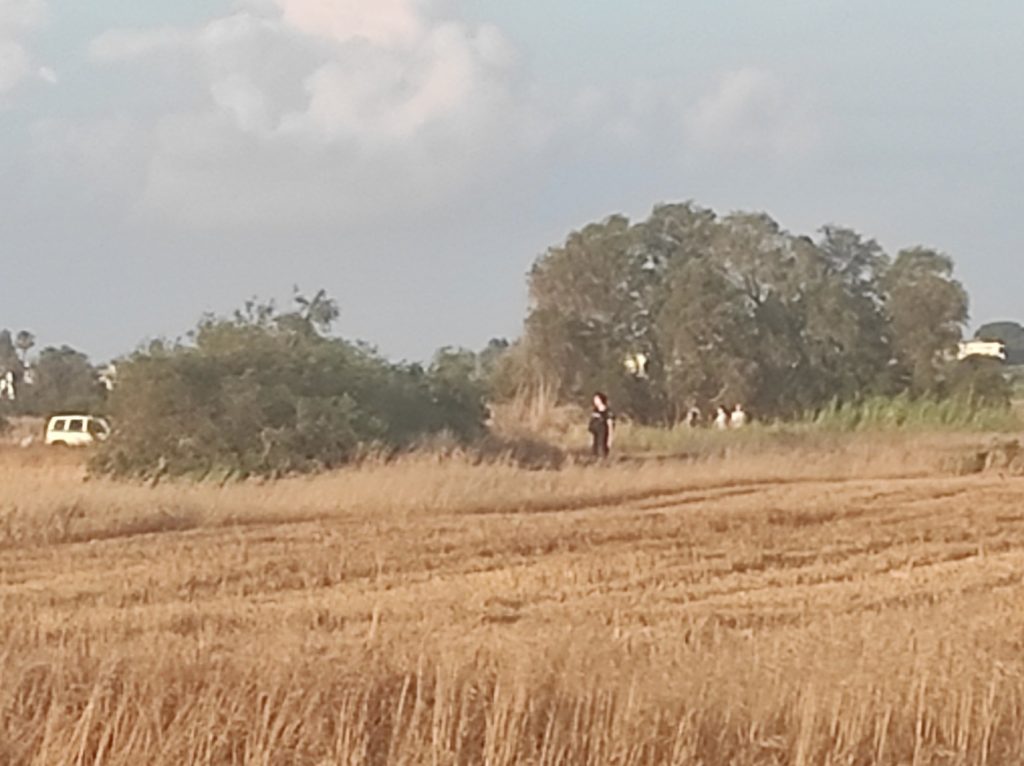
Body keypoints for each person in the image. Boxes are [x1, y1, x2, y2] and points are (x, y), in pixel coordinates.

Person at [588, 392, 615, 458]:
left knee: (602, 452)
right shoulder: (594, 411)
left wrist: (610, 440)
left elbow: (610, 426)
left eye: (597, 399)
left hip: (603, 437)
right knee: (594, 453)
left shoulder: (608, 412)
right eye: (594, 399)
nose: (595, 401)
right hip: (595, 437)